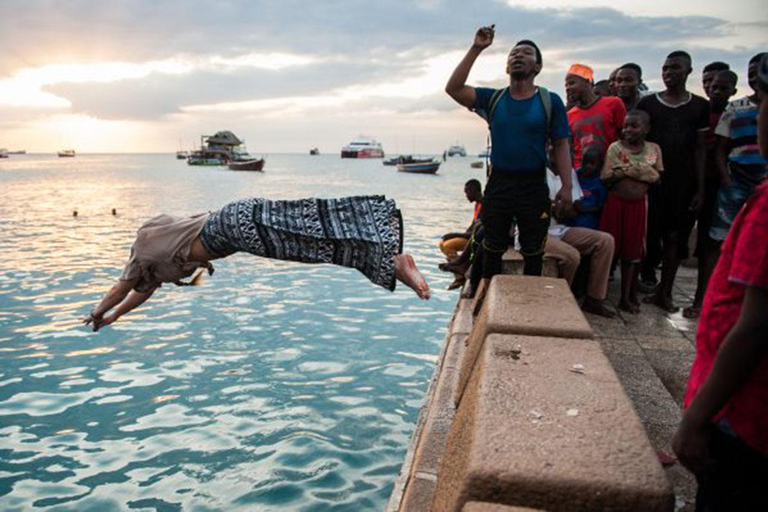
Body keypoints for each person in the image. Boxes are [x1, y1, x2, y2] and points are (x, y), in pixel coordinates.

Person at [83, 196, 430, 331]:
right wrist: (113, 318)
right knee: (312, 224)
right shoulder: (153, 250)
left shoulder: (141, 254)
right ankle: (394, 257)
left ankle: (394, 261)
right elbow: (138, 295)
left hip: (234, 230)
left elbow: (121, 288)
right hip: (235, 216)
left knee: (310, 242)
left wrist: (98, 312)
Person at [672, 66, 768, 508]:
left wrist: (696, 418)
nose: (757, 113)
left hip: (742, 418)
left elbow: (754, 328)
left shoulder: (765, 207)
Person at [445, 26, 572, 285]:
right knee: (492, 246)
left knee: (533, 250)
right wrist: (477, 48)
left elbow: (561, 145)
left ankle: (530, 303)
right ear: (506, 66)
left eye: (526, 53)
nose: (518, 56)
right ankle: (488, 300)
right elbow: (454, 88)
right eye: (513, 53)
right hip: (499, 183)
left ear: (537, 67)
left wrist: (567, 187)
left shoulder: (550, 101)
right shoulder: (494, 99)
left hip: (534, 185)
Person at [637, 51, 709, 312]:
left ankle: (665, 291)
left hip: (683, 181)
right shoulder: (648, 104)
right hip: (653, 179)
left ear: (688, 71)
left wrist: (700, 187)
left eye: (675, 68)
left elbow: (701, 148)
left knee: (675, 237)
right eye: (666, 69)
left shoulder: (699, 106)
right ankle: (638, 285)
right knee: (647, 234)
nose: (669, 73)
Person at [684, 69, 738, 318]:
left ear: (732, 91)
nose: (713, 90)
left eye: (720, 87)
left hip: (723, 187)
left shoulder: (734, 113)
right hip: (694, 184)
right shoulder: (698, 111)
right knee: (695, 241)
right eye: (709, 84)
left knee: (711, 245)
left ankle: (703, 299)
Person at [600, 110, 663, 313]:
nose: (628, 130)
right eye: (626, 126)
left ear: (646, 129)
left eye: (634, 126)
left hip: (637, 206)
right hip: (616, 202)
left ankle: (626, 296)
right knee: (609, 248)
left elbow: (657, 177)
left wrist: (640, 172)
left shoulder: (653, 150)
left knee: (633, 252)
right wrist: (630, 172)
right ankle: (598, 294)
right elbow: (606, 177)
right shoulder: (615, 148)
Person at [709, 53, 768, 244]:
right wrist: (726, 179)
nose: (756, 79)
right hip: (737, 179)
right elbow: (720, 148)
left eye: (760, 74)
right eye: (751, 75)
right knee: (723, 236)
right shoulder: (736, 108)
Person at [546, 170, 616, 318]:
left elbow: (573, 210)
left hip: (558, 228)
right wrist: (551, 207)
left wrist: (564, 209)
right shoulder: (537, 168)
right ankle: (559, 303)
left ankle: (594, 299)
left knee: (605, 241)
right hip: (536, 233)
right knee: (572, 256)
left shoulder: (568, 173)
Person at [565, 63, 627, 169]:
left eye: (571, 83)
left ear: (587, 82)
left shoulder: (614, 103)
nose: (568, 88)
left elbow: (625, 136)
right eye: (566, 85)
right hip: (582, 171)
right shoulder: (569, 115)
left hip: (612, 167)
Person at [439, 179, 483, 289]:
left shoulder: (483, 205)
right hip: (470, 236)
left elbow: (477, 232)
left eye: (467, 192)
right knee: (441, 243)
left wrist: (455, 234)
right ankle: (459, 270)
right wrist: (460, 234)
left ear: (474, 191)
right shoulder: (477, 204)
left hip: (476, 239)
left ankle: (460, 273)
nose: (466, 195)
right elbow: (473, 225)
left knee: (448, 245)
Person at [568, 144, 607, 230]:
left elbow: (601, 207)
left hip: (589, 222)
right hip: (571, 221)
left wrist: (583, 209)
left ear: (599, 165)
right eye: (585, 162)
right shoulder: (575, 175)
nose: (587, 166)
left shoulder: (599, 183)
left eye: (592, 163)